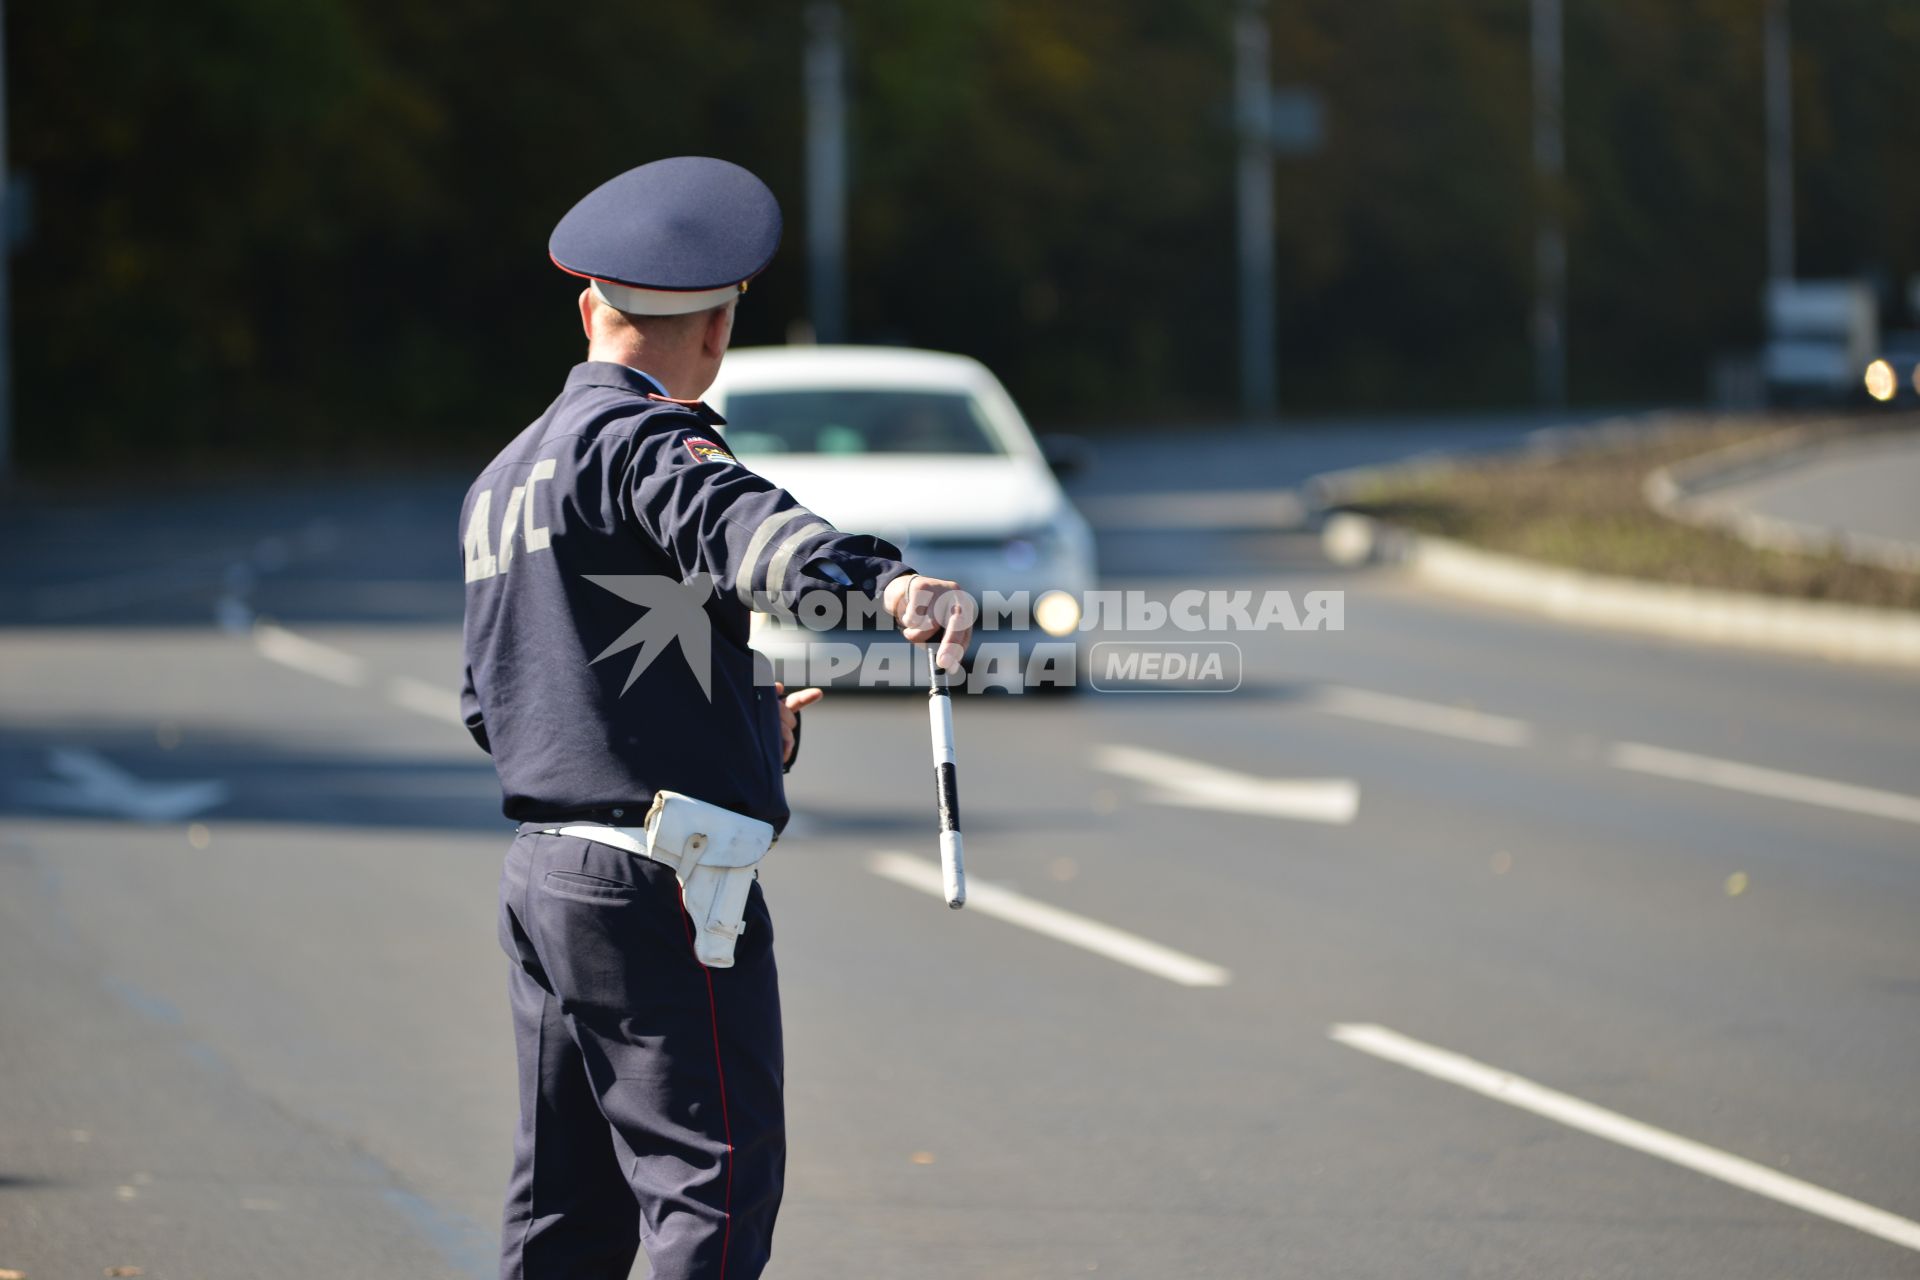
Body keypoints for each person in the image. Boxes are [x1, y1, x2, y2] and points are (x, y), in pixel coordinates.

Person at [459, 156, 970, 1280]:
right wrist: (885, 584)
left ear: (591, 307)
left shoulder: (503, 476)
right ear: (718, 328)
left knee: (563, 1208)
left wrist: (734, 723)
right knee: (712, 1184)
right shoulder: (649, 438)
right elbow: (742, 526)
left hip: (547, 875)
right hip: (660, 883)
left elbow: (503, 701)